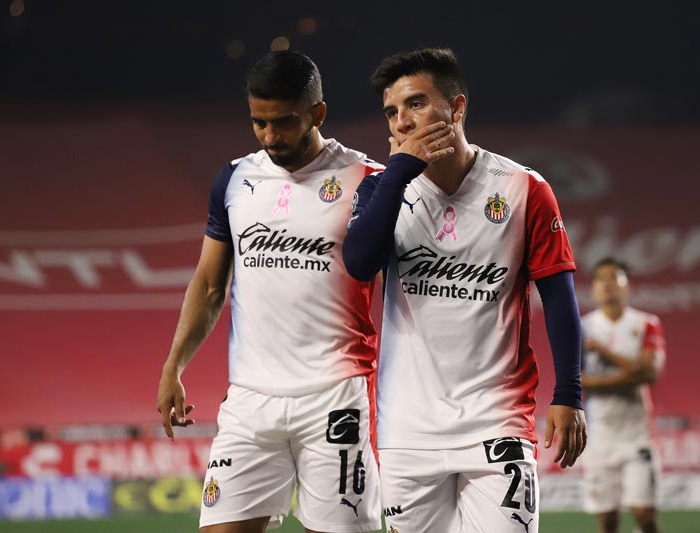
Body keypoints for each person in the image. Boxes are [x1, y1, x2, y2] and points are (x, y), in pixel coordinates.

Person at [342, 47, 586, 533]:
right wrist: (398, 177)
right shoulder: (380, 189)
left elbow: (558, 297)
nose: (401, 122)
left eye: (415, 104)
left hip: (498, 424)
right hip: (407, 430)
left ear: (457, 108)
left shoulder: (523, 189)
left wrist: (570, 394)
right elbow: (358, 264)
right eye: (392, 112)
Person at [156, 50, 383, 533]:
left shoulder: (369, 182)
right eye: (258, 122)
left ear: (318, 113)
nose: (268, 136)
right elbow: (211, 283)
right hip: (249, 401)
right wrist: (174, 364)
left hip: (336, 398)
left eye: (283, 122)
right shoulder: (235, 179)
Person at [581, 257, 667, 533]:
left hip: (637, 434)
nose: (607, 284)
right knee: (606, 519)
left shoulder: (646, 324)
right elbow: (576, 380)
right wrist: (628, 377)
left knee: (645, 515)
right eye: (600, 279)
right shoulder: (582, 328)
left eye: (614, 278)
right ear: (593, 288)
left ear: (627, 286)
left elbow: (650, 374)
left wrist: (604, 354)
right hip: (600, 435)